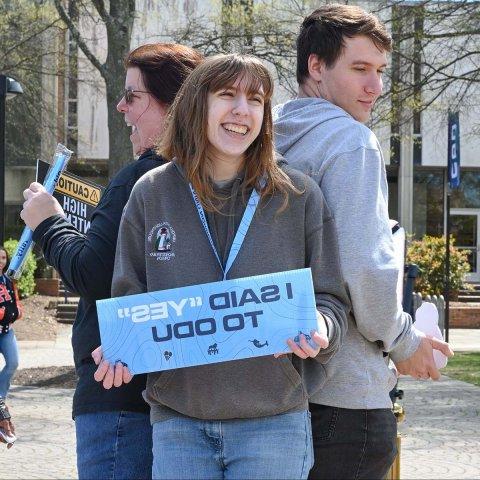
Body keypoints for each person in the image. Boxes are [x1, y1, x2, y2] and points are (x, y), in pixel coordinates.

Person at [94, 53, 349, 480]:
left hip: (275, 421)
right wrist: (122, 345)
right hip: (179, 423)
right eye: (227, 95)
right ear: (198, 104)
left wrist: (322, 326)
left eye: (255, 99)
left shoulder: (299, 195)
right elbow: (130, 298)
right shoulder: (150, 194)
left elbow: (332, 301)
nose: (240, 110)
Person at [273, 5, 454, 479]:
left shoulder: (261, 136)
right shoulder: (349, 140)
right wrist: (404, 340)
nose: (374, 87)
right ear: (316, 66)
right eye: (359, 70)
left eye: (378, 71)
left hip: (271, 397)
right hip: (344, 396)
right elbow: (365, 266)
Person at [20, 43, 204, 479]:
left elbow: (92, 274)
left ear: (173, 103)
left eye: (133, 96)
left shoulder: (141, 179)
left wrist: (49, 223)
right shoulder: (206, 182)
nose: (121, 107)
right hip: (180, 400)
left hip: (120, 400)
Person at [0, 246, 22, 401]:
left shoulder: (8, 280)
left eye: (3, 258)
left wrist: (18, 311)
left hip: (7, 332)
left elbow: (15, 302)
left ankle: (1, 398)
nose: (1, 261)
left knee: (13, 363)